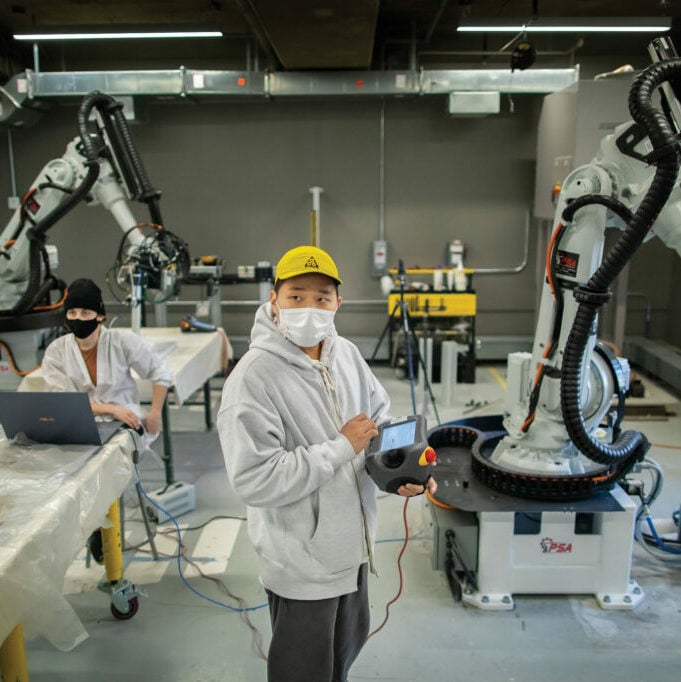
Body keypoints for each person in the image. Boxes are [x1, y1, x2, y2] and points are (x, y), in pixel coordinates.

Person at [217, 245, 437, 682]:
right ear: (274, 300)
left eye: (321, 297)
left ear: (338, 303)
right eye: (296, 296)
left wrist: (400, 474)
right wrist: (340, 447)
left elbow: (377, 423)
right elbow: (255, 479)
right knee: (303, 671)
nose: (309, 308)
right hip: (302, 560)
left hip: (352, 549)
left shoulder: (346, 355)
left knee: (342, 658)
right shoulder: (253, 378)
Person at [41, 277, 173, 560]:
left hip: (126, 424)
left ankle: (100, 525)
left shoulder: (122, 342)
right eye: (72, 313)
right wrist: (110, 409)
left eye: (86, 313)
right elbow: (64, 400)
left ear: (100, 315)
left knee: (107, 464)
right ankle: (95, 524)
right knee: (69, 468)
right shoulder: (57, 351)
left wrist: (155, 413)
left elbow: (160, 372)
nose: (78, 319)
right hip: (83, 424)